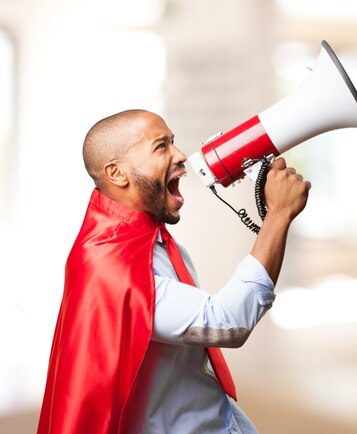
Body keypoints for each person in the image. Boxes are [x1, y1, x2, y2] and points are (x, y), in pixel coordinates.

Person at [37, 109, 311, 433]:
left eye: (174, 143)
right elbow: (226, 324)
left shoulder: (146, 240)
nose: (181, 156)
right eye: (161, 147)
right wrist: (277, 215)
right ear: (117, 173)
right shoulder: (115, 268)